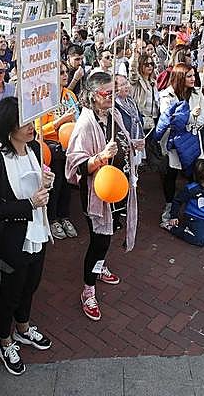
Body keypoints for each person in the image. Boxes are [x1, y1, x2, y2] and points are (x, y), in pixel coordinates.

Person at [0, 97, 53, 376]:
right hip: (12, 239)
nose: (31, 127)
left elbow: (40, 190)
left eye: (30, 120)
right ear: (7, 127)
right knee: (9, 292)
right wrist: (28, 204)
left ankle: (23, 328)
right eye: (23, 122)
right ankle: (5, 340)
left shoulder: (34, 148)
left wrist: (47, 185)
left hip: (38, 232)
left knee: (31, 285)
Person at [65, 72, 138, 322]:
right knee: (99, 242)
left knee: (112, 231)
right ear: (94, 96)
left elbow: (122, 141)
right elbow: (75, 166)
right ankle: (88, 289)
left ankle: (100, 265)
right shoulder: (85, 124)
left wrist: (131, 146)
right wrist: (100, 157)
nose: (112, 97)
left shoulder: (113, 114)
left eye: (113, 92)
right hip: (97, 196)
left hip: (118, 190)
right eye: (107, 94)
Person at [155, 64, 204, 223]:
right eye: (189, 76)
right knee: (171, 174)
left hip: (191, 140)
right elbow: (171, 120)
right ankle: (170, 205)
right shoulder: (167, 95)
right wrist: (191, 116)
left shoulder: (198, 93)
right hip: (173, 142)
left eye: (194, 75)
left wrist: (190, 121)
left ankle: (193, 206)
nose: (193, 79)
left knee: (193, 174)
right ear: (180, 78)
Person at [36, 63, 79, 239]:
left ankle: (64, 216)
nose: (64, 75)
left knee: (68, 184)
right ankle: (53, 219)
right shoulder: (43, 97)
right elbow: (39, 129)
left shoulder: (70, 95)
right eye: (60, 73)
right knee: (56, 183)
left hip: (71, 147)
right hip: (53, 148)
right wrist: (59, 121)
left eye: (65, 72)